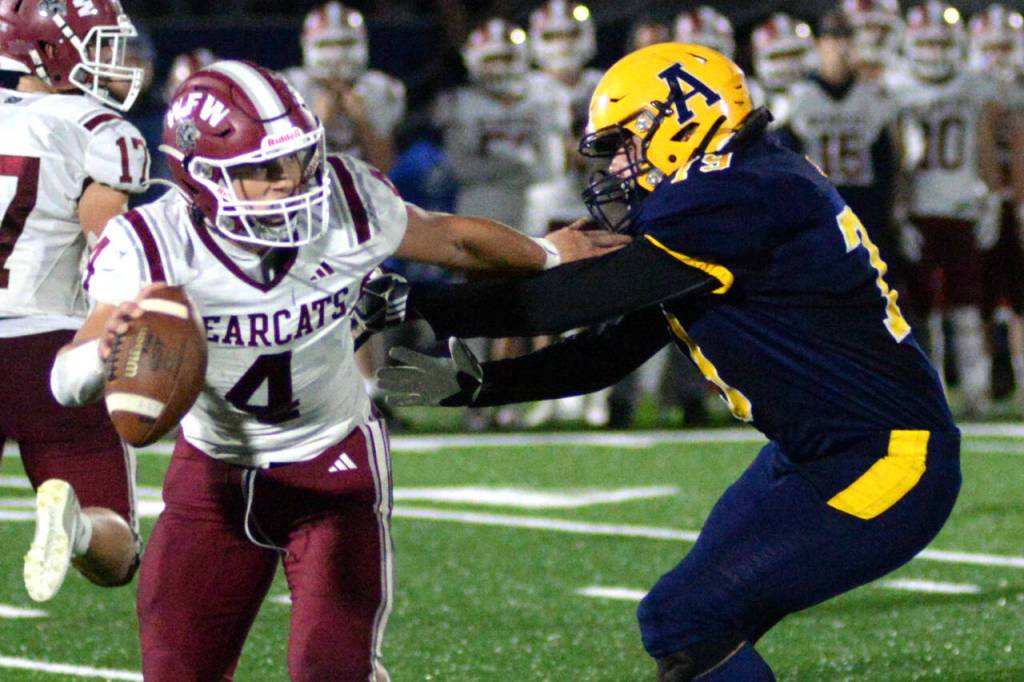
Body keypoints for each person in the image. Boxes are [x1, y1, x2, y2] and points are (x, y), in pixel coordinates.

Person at [377, 43, 961, 681]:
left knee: (685, 618)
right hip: (813, 454)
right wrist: (480, 384)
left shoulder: (739, 189)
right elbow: (608, 353)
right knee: (695, 628)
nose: (615, 166)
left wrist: (413, 303)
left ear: (680, 118)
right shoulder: (745, 183)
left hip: (887, 457)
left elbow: (570, 301)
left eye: (624, 143)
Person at [49, 60, 624, 681]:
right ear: (202, 177)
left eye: (295, 160)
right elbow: (64, 382)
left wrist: (547, 252)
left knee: (330, 672)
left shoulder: (344, 201)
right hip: (214, 476)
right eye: (263, 170)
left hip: (333, 467)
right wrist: (104, 352)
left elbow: (449, 237)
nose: (289, 183)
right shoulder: (149, 244)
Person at [0, 0, 149, 602]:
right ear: (45, 48)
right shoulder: (97, 129)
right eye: (100, 43)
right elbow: (109, 243)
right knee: (117, 556)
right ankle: (79, 528)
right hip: (51, 352)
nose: (117, 60)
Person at [897, 0, 1000, 417]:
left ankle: (976, 392)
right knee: (925, 311)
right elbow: (898, 155)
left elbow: (984, 142)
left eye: (942, 43)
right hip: (919, 210)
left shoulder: (974, 85)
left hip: (961, 208)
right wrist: (899, 210)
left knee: (967, 307)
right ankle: (932, 392)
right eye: (927, 43)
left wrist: (992, 198)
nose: (935, 52)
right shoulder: (896, 87)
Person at [780, 10, 905, 279]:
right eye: (832, 38)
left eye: (846, 38)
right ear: (818, 45)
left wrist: (894, 209)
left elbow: (889, 162)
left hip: (864, 207)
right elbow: (785, 166)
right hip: (818, 209)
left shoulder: (873, 97)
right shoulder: (797, 98)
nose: (840, 47)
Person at [284, 2, 405, 173]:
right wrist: (318, 123)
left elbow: (385, 167)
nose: (336, 54)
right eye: (326, 44)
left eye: (345, 42)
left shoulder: (379, 88)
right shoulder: (290, 87)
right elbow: (288, 170)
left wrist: (362, 121)